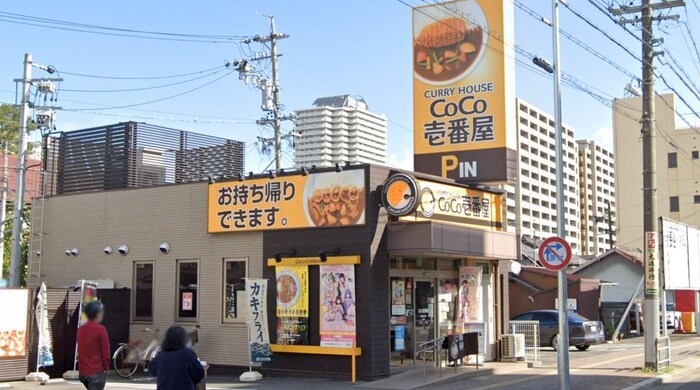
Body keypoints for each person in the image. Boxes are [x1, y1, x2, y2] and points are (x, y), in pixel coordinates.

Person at [149, 326, 205, 390]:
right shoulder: (188, 354)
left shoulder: (161, 355)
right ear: (183, 339)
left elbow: (152, 370)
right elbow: (199, 373)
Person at [76, 301, 110, 390]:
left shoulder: (81, 329)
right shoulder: (101, 329)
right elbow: (105, 352)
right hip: (96, 371)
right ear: (98, 314)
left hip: (83, 372)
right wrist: (106, 367)